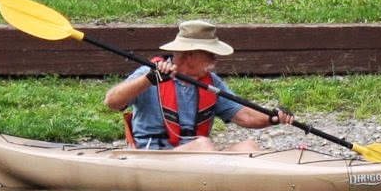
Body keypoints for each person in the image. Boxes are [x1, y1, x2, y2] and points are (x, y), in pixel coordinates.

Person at [104, 20, 292, 153]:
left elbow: (245, 116)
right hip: (154, 157)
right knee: (202, 145)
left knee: (248, 146)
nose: (215, 59)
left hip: (197, 157)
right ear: (190, 54)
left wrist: (273, 117)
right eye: (210, 54)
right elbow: (112, 101)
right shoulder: (150, 73)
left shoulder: (211, 82)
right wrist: (149, 79)